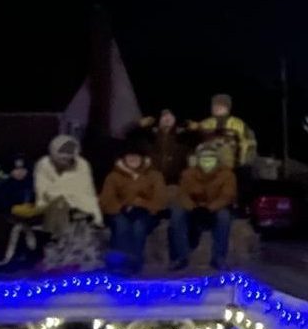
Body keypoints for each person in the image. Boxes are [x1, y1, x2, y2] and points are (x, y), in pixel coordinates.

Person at [34, 135, 104, 271]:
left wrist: (89, 209)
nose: (65, 157)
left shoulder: (82, 165)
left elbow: (86, 189)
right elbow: (44, 190)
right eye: (62, 153)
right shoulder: (44, 164)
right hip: (50, 205)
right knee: (60, 209)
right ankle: (57, 260)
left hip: (79, 203)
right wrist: (64, 194)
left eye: (69, 153)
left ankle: (77, 260)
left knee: (82, 219)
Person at [99, 139, 169, 273]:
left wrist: (142, 204)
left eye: (136, 156)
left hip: (147, 213)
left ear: (142, 158)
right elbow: (107, 200)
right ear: (123, 158)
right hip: (120, 212)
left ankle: (134, 262)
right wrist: (123, 207)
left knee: (139, 227)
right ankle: (120, 263)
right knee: (121, 226)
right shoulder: (113, 177)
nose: (133, 159)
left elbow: (161, 199)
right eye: (129, 156)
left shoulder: (154, 175)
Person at [170, 140, 237, 270]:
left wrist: (209, 209)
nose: (207, 160)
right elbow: (182, 194)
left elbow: (227, 196)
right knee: (177, 213)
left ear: (217, 159)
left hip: (215, 208)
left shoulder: (227, 175)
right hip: (194, 207)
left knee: (224, 217)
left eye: (211, 157)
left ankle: (218, 258)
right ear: (198, 159)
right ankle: (181, 257)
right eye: (204, 157)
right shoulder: (188, 174)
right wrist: (193, 208)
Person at [0, 156, 40, 269]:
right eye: (16, 169)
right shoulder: (3, 186)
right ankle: (1, 259)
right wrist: (11, 209)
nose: (19, 172)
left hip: (29, 218)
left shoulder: (32, 185)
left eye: (23, 169)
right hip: (6, 217)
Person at [194, 93, 258, 174]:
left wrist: (247, 162)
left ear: (228, 108)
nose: (217, 108)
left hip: (233, 168)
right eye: (214, 105)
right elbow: (195, 143)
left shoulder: (239, 124)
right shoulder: (205, 124)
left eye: (221, 105)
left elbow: (251, 143)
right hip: (207, 167)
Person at [137, 108, 191, 183]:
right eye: (164, 115)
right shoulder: (149, 135)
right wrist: (138, 125)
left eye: (170, 115)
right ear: (159, 119)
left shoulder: (184, 135)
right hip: (152, 180)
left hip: (175, 181)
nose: (167, 117)